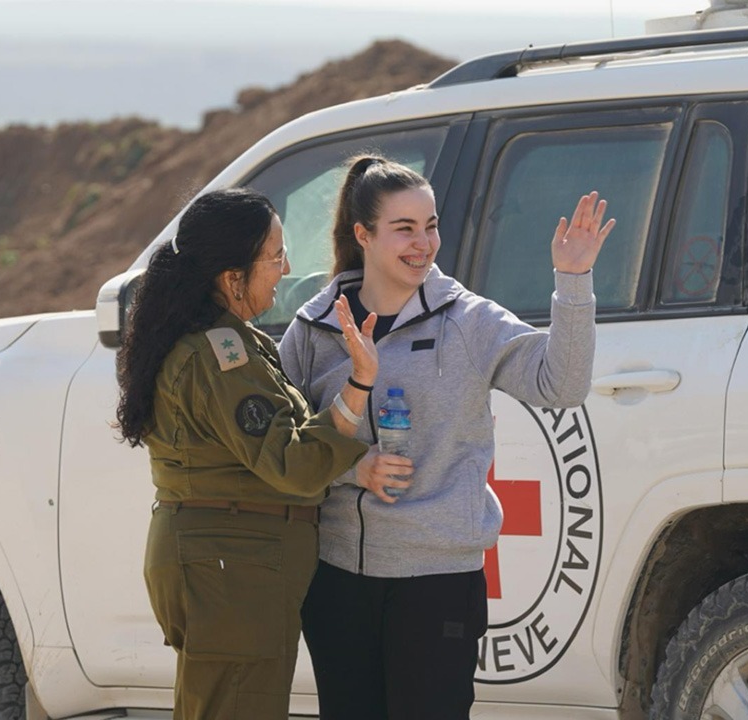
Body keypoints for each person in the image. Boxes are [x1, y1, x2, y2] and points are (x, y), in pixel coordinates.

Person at [279, 156, 614, 719]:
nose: (423, 244)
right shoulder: (314, 328)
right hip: (337, 579)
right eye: (404, 229)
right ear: (363, 235)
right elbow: (286, 443)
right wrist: (353, 468)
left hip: (437, 582)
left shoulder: (469, 320)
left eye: (431, 226)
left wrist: (573, 282)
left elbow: (561, 385)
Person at [115, 187, 385, 720]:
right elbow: (291, 464)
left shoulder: (226, 340)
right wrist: (359, 385)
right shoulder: (221, 353)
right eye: (275, 256)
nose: (287, 269)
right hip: (232, 575)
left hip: (232, 572)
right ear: (231, 277)